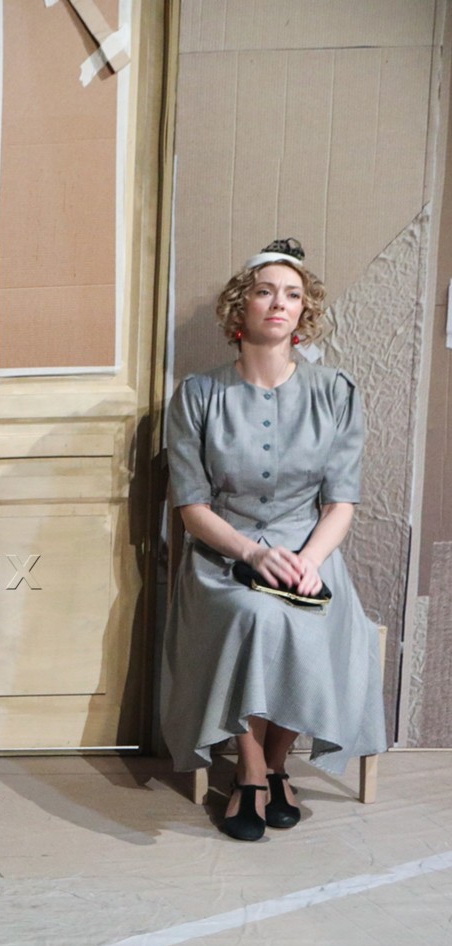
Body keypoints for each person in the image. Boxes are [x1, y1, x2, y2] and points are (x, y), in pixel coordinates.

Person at [162, 239, 387, 841]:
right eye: (265, 291)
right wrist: (254, 553)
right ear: (242, 306)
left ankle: (276, 763)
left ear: (304, 309)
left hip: (310, 551)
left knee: (306, 618)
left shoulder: (335, 391)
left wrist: (309, 561)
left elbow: (340, 503)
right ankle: (254, 772)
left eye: (292, 294)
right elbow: (192, 509)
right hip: (224, 554)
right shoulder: (198, 395)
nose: (279, 303)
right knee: (254, 615)